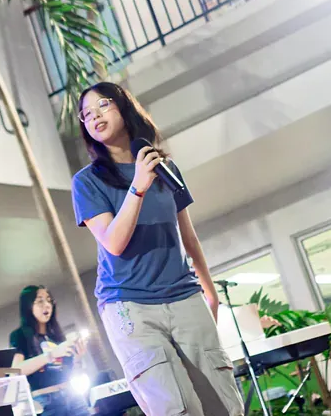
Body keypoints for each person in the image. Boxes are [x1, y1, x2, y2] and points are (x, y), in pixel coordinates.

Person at [71, 82, 243, 416]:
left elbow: (187, 236)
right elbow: (114, 242)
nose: (94, 117)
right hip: (129, 306)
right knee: (176, 408)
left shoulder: (165, 168)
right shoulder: (87, 182)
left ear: (125, 107)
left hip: (184, 295)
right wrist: (137, 186)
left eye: (102, 105)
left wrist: (210, 291)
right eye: (86, 115)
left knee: (224, 405)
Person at [8, 286, 87, 415]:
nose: (47, 305)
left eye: (49, 300)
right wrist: (52, 354)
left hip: (73, 396)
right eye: (40, 301)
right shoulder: (20, 335)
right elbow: (15, 372)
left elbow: (71, 372)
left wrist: (78, 357)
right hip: (45, 402)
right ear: (28, 307)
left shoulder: (57, 336)